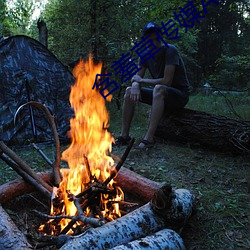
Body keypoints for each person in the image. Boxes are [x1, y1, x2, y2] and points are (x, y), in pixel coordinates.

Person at [115, 21, 191, 148]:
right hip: (160, 95)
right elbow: (137, 77)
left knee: (159, 88)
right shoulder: (144, 55)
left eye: (157, 39)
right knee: (128, 91)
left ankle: (149, 139)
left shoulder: (170, 50)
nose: (155, 43)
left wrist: (141, 81)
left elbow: (167, 81)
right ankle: (124, 136)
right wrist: (134, 85)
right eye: (150, 40)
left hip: (179, 95)